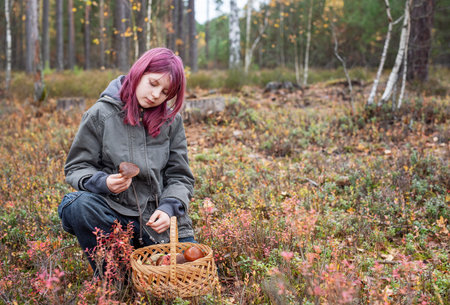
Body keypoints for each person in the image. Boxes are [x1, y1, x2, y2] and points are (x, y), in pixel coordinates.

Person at [58, 47, 195, 272]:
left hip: (155, 220)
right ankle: (115, 278)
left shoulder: (171, 122)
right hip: (112, 213)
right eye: (153, 83)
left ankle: (141, 266)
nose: (155, 95)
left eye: (164, 93)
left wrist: (169, 207)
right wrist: (103, 182)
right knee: (77, 204)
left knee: (190, 267)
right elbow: (77, 166)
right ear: (139, 71)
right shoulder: (100, 114)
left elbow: (180, 176)